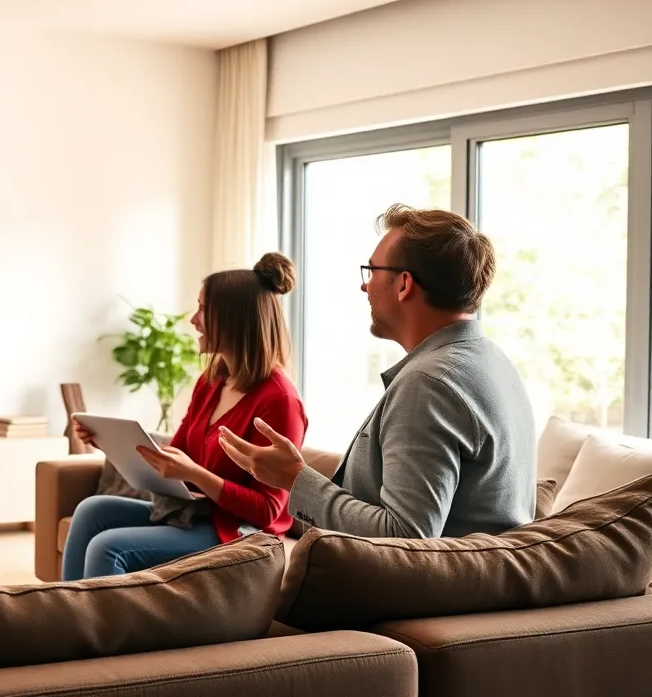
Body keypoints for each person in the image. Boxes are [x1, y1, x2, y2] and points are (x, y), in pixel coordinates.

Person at [220, 204, 536, 539]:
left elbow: (405, 537)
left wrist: (295, 478)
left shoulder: (428, 385)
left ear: (403, 284)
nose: (365, 287)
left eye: (371, 272)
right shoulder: (493, 362)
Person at [61, 253, 308, 580]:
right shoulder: (211, 382)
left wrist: (198, 475)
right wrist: (109, 443)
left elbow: (268, 511)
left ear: (235, 318)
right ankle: (68, 622)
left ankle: (93, 631)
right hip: (200, 514)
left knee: (108, 546)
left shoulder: (280, 401)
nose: (193, 320)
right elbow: (176, 457)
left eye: (204, 309)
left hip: (239, 533)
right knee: (91, 510)